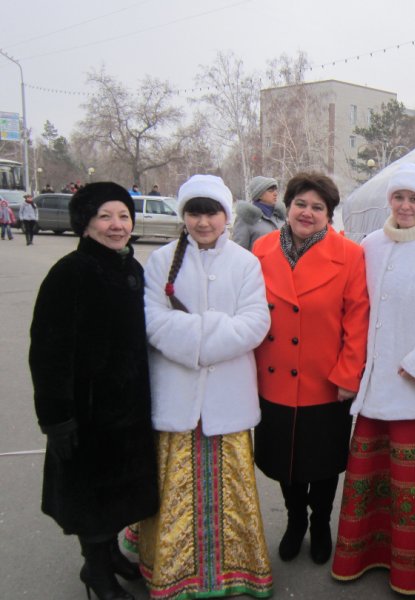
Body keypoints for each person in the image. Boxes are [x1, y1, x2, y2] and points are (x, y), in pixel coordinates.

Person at [129, 174, 274, 599]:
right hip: (176, 392)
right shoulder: (160, 261)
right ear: (184, 216)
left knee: (230, 491)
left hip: (227, 396)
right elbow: (153, 322)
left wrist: (195, 336)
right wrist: (210, 337)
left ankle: (236, 571)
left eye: (211, 212)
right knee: (174, 489)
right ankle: (173, 574)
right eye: (194, 212)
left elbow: (256, 323)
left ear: (226, 216)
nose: (203, 221)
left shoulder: (245, 263)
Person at [331, 163, 415, 595]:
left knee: (409, 487)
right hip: (374, 389)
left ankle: (408, 570)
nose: (405, 206)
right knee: (368, 481)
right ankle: (362, 556)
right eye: (399, 197)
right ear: (389, 200)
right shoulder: (369, 245)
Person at [29, 182, 159, 600]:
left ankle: (109, 556)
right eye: (105, 217)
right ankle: (96, 572)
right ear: (85, 224)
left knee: (120, 495)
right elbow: (48, 351)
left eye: (123, 216)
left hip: (129, 409)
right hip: (86, 414)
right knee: (93, 500)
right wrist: (56, 418)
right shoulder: (70, 273)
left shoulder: (130, 268)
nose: (117, 225)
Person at [252, 172, 369, 566]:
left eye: (317, 207)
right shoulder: (262, 249)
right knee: (286, 461)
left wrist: (348, 376)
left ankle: (321, 523)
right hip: (274, 377)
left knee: (321, 463)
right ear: (288, 206)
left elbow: (357, 321)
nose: (307, 212)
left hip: (325, 380)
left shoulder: (350, 255)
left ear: (328, 214)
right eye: (301, 204)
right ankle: (295, 520)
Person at [232, 176, 286, 251]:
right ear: (259, 195)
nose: (275, 194)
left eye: (275, 190)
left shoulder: (279, 217)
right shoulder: (246, 218)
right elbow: (238, 252)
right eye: (270, 191)